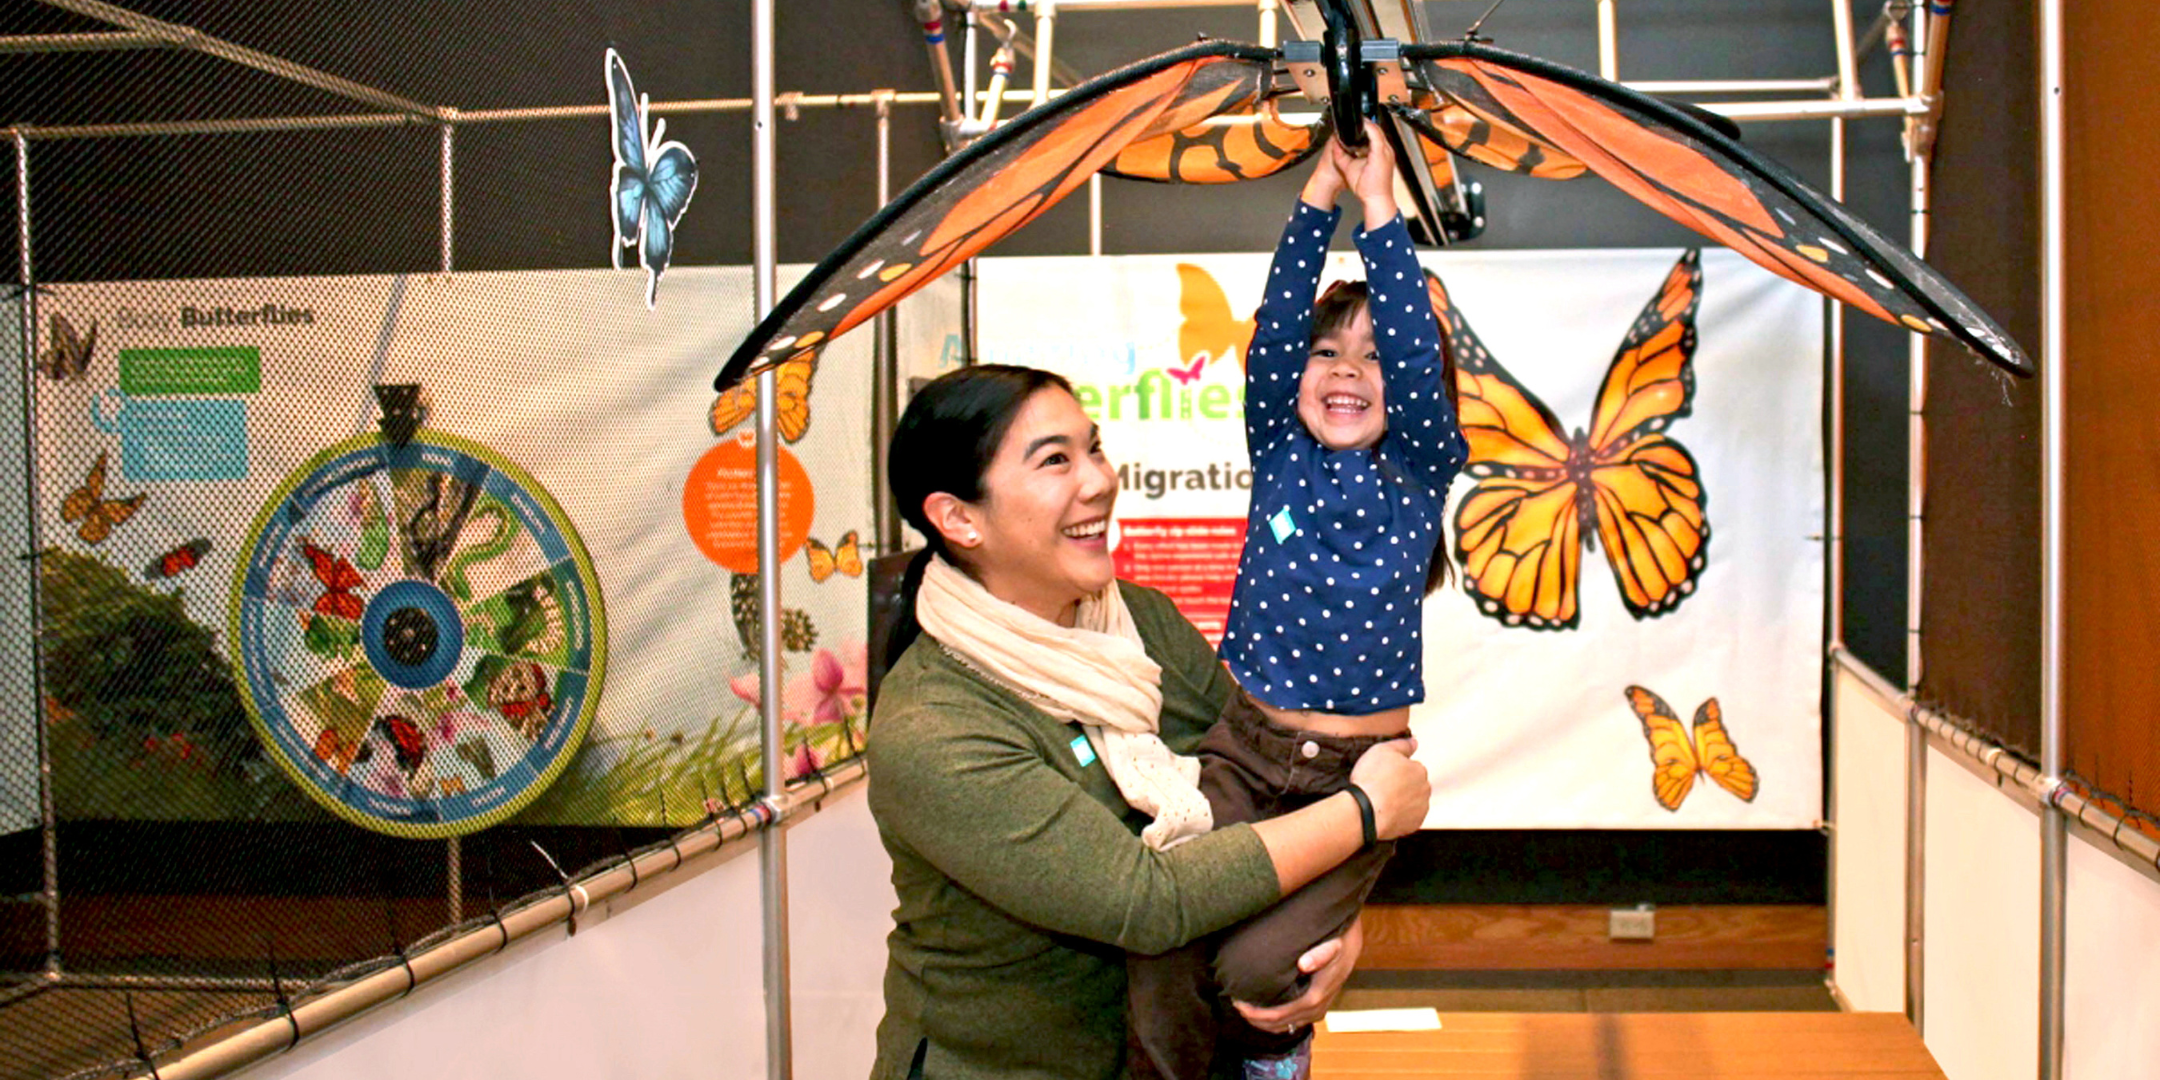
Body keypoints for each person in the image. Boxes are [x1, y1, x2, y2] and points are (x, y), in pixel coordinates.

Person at [868, 363, 1433, 1080]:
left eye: (1093, 448)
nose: (1100, 480)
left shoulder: (1143, 622)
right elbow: (1146, 901)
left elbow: (1269, 782)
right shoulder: (935, 727)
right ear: (958, 518)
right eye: (1055, 461)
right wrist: (1366, 811)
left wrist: (1331, 931)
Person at [1123, 124, 1468, 1080]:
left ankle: (1277, 1060)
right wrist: (1318, 194)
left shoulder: (1417, 471)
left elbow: (1402, 332)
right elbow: (1274, 332)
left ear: (1418, 392)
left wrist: (1380, 207)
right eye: (1328, 354)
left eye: (1376, 357)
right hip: (1244, 751)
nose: (1348, 369)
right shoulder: (1278, 453)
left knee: (1261, 970)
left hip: (1359, 774)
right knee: (1165, 940)